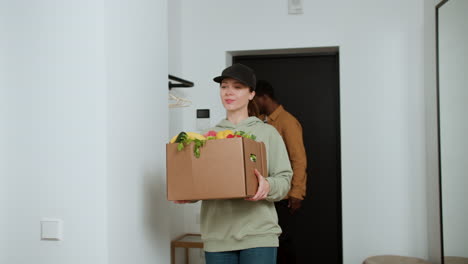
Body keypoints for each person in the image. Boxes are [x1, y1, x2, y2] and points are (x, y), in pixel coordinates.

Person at [174, 63, 293, 264]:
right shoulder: (206, 138)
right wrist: (187, 193)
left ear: (251, 94)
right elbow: (202, 183)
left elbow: (284, 180)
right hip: (217, 238)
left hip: (259, 236)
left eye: (237, 87)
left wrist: (267, 185)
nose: (229, 92)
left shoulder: (267, 133)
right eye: (224, 86)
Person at [254, 80, 307, 263]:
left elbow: (298, 159)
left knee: (282, 243)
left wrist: (297, 192)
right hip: (263, 194)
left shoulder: (288, 122)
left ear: (264, 97)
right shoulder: (259, 122)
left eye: (255, 99)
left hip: (283, 197)